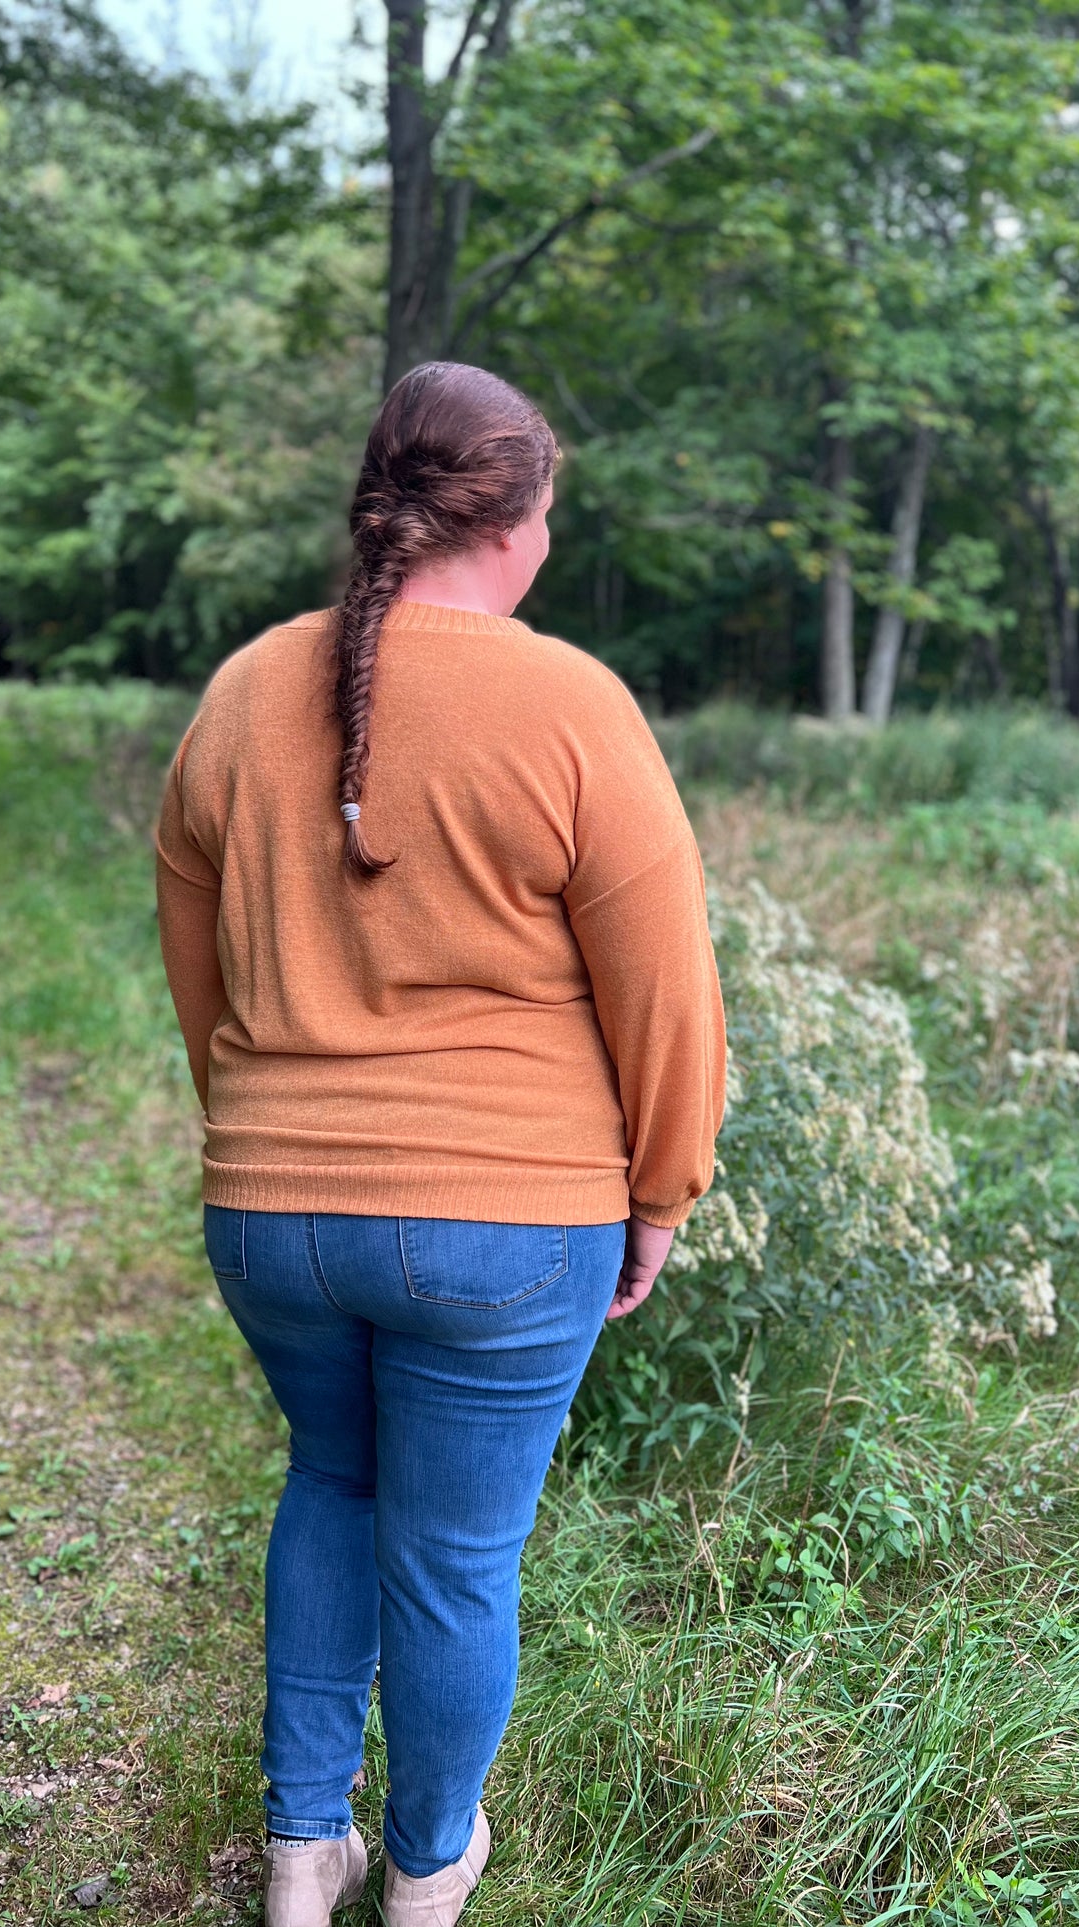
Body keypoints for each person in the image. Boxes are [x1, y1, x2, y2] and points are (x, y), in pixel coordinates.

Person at [155, 361, 726, 1927]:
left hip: (270, 1209)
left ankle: (296, 1857)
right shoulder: (569, 704)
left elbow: (197, 963)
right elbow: (665, 986)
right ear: (519, 520)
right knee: (457, 1557)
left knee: (330, 1481)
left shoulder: (240, 690)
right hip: (506, 1220)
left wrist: (260, 1131)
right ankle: (422, 1878)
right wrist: (662, 1189)